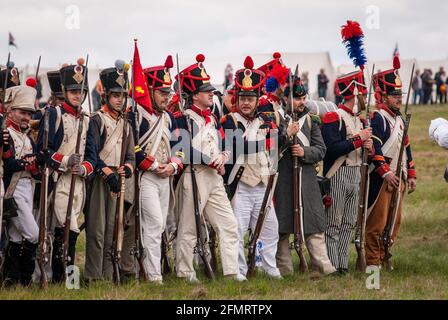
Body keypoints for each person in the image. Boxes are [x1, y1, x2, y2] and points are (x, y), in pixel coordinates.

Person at [173, 54, 240, 282]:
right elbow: (181, 148)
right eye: (206, 91)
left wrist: (223, 155)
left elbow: (222, 143)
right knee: (189, 227)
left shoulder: (212, 118)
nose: (211, 93)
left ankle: (232, 272)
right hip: (194, 175)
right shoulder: (182, 118)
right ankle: (184, 272)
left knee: (229, 224)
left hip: (214, 177)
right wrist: (210, 160)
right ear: (194, 95)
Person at [221, 56, 282, 280]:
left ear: (258, 99)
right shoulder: (229, 120)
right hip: (241, 184)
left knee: (269, 230)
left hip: (262, 184)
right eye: (243, 98)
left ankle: (269, 267)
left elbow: (276, 147)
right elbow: (237, 147)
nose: (247, 102)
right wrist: (266, 141)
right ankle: (238, 271)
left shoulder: (266, 120)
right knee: (237, 229)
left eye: (251, 98)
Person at [275, 74, 336, 276]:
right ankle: (285, 270)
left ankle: (323, 266)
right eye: (297, 98)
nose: (301, 102)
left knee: (313, 224)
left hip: (307, 178)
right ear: (286, 99)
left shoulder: (311, 120)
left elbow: (321, 149)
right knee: (282, 226)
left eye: (303, 98)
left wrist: (304, 153)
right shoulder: (276, 119)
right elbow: (271, 148)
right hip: (284, 178)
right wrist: (287, 135)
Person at [80, 60, 135, 281]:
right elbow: (92, 155)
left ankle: (109, 274)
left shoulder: (126, 123)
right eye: (115, 95)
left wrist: (128, 169)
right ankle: (93, 276)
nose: (120, 100)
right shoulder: (97, 120)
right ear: (106, 96)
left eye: (122, 95)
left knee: (114, 230)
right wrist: (108, 174)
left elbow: (130, 156)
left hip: (118, 180)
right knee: (97, 231)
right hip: (100, 179)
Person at [36, 59, 90, 282]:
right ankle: (70, 280)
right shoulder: (53, 114)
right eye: (74, 91)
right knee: (69, 228)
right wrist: (67, 160)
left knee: (66, 228)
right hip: (58, 179)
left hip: (78, 181)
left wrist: (85, 167)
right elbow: (43, 152)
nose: (78, 95)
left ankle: (60, 277)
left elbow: (93, 154)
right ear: (65, 92)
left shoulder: (86, 119)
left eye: (82, 91)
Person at [134, 55, 182, 284]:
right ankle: (153, 275)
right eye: (163, 93)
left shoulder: (169, 118)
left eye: (168, 93)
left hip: (166, 177)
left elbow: (179, 148)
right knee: (153, 224)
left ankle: (148, 268)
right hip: (147, 177)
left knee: (161, 224)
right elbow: (131, 149)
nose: (167, 97)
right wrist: (154, 165)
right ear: (150, 90)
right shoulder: (137, 116)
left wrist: (173, 165)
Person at [366, 57, 417, 269]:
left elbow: (406, 147)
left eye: (399, 95)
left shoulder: (400, 120)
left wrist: (411, 174)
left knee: (394, 223)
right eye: (394, 95)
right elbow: (375, 149)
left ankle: (385, 256)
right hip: (383, 179)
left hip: (400, 177)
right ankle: (372, 263)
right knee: (377, 225)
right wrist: (385, 172)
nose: (398, 99)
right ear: (384, 96)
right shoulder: (377, 117)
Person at [321, 70, 373, 274]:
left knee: (349, 223)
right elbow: (332, 149)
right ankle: (332, 265)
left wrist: (368, 145)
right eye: (361, 93)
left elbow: (362, 148)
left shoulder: (359, 119)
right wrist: (359, 139)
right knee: (334, 222)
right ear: (354, 92)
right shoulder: (334, 117)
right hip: (338, 174)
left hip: (356, 173)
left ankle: (342, 263)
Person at [1, 84, 40, 286]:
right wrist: (30, 162)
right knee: (33, 234)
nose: (26, 117)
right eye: (22, 112)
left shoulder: (27, 137)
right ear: (11, 111)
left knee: (16, 237)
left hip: (28, 188)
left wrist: (37, 164)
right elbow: (8, 166)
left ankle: (12, 278)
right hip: (13, 190)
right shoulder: (6, 134)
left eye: (28, 113)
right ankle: (26, 277)